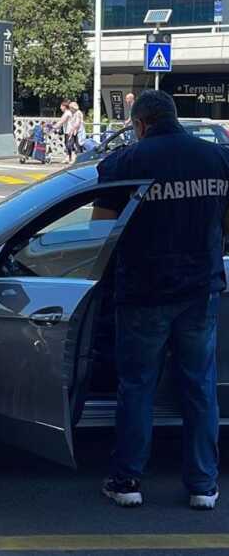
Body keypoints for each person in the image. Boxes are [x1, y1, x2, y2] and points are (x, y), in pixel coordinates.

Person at [92, 90, 229, 510]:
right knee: (199, 387)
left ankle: (127, 480)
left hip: (144, 293)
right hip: (199, 292)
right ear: (174, 118)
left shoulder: (128, 162)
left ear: (139, 124)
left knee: (137, 387)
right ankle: (203, 486)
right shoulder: (217, 158)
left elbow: (99, 234)